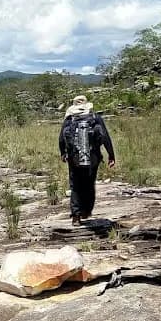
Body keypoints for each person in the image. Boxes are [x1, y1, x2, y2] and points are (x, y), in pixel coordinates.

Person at [59, 95, 115, 225]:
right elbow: (105, 137)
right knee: (89, 183)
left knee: (76, 185)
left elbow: (61, 138)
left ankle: (76, 216)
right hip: (93, 156)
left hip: (74, 157)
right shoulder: (95, 118)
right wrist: (111, 155)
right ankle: (86, 211)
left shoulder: (69, 119)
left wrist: (63, 153)